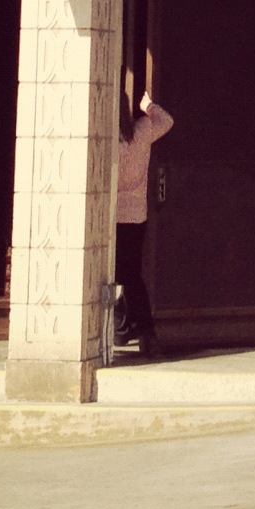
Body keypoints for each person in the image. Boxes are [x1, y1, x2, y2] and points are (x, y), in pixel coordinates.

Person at [114, 75, 173, 357]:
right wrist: (148, 105)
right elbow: (167, 121)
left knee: (110, 275)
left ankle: (121, 326)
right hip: (136, 216)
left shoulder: (107, 140)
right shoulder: (142, 131)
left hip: (111, 217)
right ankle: (146, 333)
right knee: (132, 276)